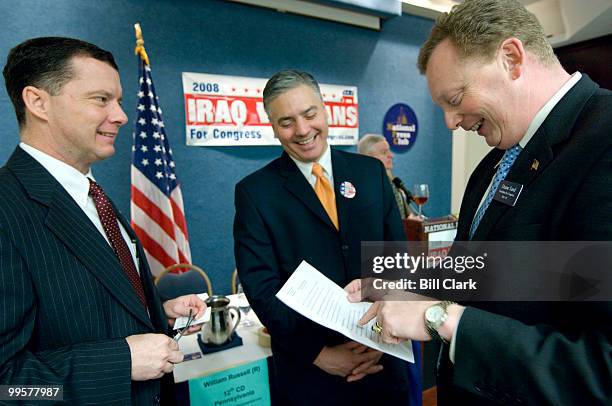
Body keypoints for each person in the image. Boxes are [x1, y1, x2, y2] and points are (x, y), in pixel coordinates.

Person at [349, 0, 612, 404]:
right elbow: (482, 271)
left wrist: (442, 319)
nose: (451, 123)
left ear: (511, 58)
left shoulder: (603, 141)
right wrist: (401, 285)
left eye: (455, 99)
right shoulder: (495, 164)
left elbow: (601, 367)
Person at [0, 37, 206, 405]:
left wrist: (155, 313)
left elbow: (86, 303)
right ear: (38, 102)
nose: (121, 115)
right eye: (100, 99)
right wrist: (118, 362)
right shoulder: (6, 209)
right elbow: (7, 386)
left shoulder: (93, 194)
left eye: (120, 101)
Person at [233, 70, 421, 405]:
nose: (303, 130)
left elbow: (398, 261)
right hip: (312, 376)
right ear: (273, 126)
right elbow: (262, 288)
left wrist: (377, 343)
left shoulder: (371, 172)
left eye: (309, 114)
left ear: (325, 109)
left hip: (383, 362)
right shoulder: (255, 193)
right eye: (287, 121)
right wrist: (319, 354)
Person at [357, 133, 419, 220]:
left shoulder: (392, 183)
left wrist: (414, 220)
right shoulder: (362, 186)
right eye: (384, 152)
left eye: (389, 151)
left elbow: (406, 215)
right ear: (368, 157)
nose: (391, 155)